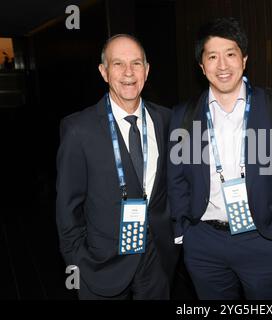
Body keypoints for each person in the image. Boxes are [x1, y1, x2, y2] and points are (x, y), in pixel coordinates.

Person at [167, 17, 272, 299]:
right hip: (204, 242)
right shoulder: (185, 115)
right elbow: (177, 177)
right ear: (202, 66)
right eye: (212, 57)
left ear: (244, 59)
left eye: (230, 55)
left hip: (264, 238)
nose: (222, 65)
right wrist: (184, 234)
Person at [56, 34, 179, 299]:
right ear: (103, 72)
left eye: (136, 63)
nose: (128, 73)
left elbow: (176, 186)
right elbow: (67, 208)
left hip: (156, 261)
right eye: (118, 64)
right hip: (101, 265)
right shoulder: (78, 130)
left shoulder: (168, 121)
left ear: (147, 70)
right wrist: (78, 262)